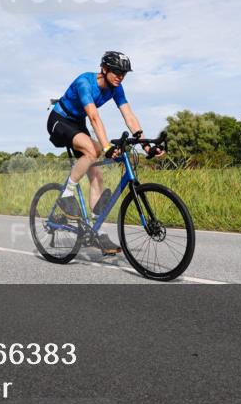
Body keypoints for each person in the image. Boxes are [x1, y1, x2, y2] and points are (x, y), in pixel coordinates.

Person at [47, 51, 158, 256]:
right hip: (59, 121)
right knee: (94, 149)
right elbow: (94, 118)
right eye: (116, 72)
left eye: (123, 73)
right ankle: (67, 194)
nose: (120, 76)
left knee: (96, 171)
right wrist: (107, 146)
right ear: (104, 69)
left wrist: (145, 144)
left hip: (77, 124)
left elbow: (128, 114)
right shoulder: (85, 83)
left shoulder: (116, 88)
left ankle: (94, 229)